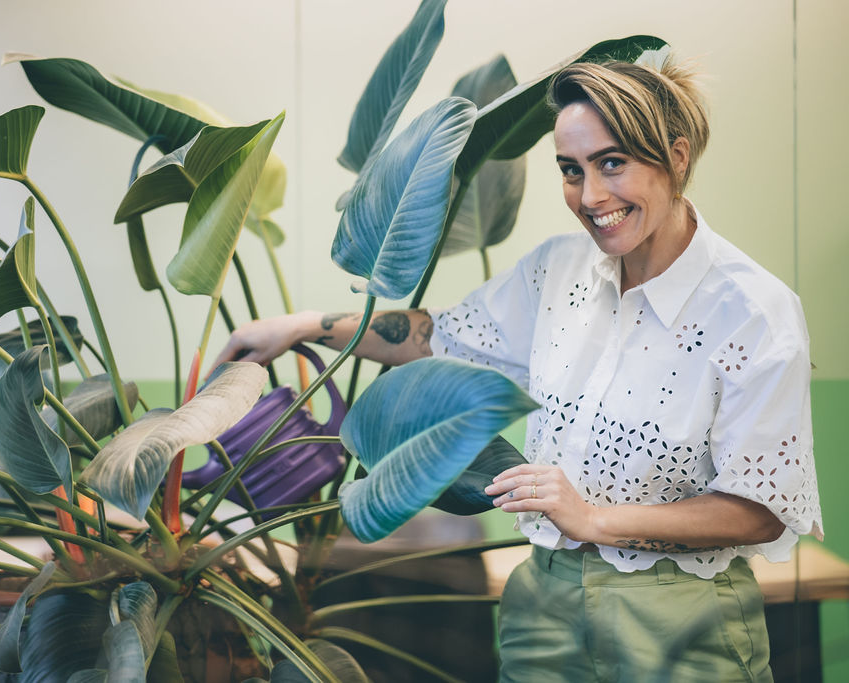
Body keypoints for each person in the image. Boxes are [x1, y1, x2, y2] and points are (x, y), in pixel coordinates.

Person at [213, 57, 823, 681]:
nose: (591, 197)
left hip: (682, 618)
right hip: (543, 606)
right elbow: (440, 339)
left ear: (678, 157)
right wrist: (305, 326)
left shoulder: (753, 313)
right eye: (571, 170)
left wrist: (593, 519)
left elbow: (760, 509)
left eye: (613, 163)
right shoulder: (557, 271)